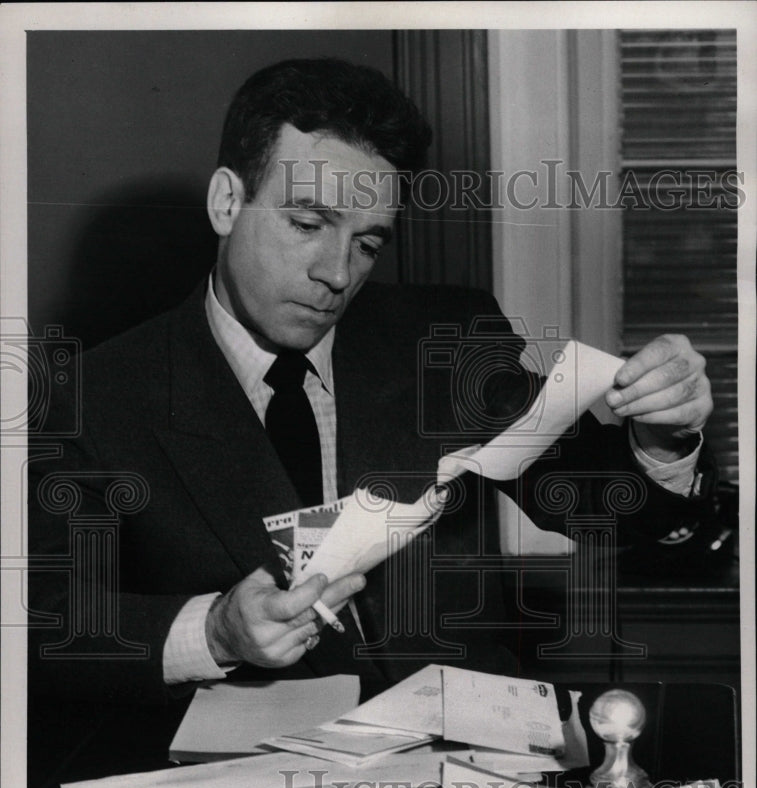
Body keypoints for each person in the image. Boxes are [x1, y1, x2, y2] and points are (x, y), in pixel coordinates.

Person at [28, 58, 715, 709]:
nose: (337, 273)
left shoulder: (444, 339)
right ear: (226, 202)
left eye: (367, 243)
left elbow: (599, 502)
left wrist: (663, 440)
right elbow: (45, 627)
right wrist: (213, 633)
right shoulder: (92, 395)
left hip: (466, 775)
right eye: (307, 224)